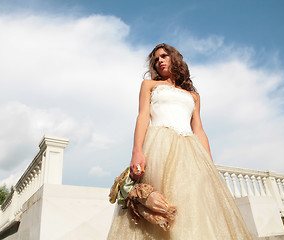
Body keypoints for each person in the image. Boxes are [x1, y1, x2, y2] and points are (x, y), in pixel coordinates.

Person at [107, 43, 252, 239]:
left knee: (192, 203)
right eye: (156, 59)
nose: (159, 61)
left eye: (164, 56)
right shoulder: (149, 85)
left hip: (190, 149)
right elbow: (142, 116)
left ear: (174, 59)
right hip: (159, 145)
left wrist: (209, 163)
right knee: (157, 205)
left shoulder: (194, 96)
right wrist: (137, 151)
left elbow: (199, 129)